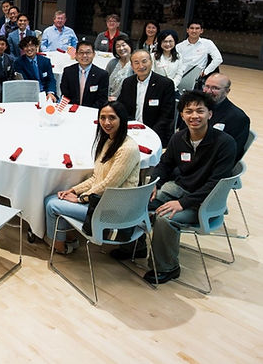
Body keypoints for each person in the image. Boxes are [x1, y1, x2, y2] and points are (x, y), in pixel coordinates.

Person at [137, 91, 236, 285]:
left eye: (200, 111)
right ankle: (135, 246)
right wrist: (155, 183)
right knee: (140, 201)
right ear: (182, 115)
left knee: (165, 219)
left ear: (210, 114)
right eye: (188, 111)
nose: (194, 116)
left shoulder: (225, 143)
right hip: (180, 189)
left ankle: (168, 268)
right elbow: (164, 164)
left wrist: (183, 203)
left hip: (205, 202)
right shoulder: (179, 138)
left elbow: (215, 184)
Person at [44, 101, 141, 254]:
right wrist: (74, 190)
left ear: (122, 120)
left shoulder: (127, 149)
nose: (106, 122)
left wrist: (80, 198)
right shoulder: (108, 141)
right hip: (102, 201)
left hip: (112, 210)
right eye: (102, 118)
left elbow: (109, 185)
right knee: (55, 197)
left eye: (112, 118)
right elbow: (97, 177)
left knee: (51, 204)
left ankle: (59, 247)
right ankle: (67, 239)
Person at [117, 50, 176, 147]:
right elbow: (121, 108)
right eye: (136, 63)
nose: (141, 66)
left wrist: (149, 134)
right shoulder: (128, 83)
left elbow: (166, 116)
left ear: (151, 63)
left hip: (155, 134)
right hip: (131, 132)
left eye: (144, 61)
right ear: (132, 66)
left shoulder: (165, 84)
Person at [202, 73, 250, 162]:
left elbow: (231, 153)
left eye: (215, 88)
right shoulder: (197, 108)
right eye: (207, 86)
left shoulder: (238, 118)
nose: (208, 91)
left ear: (227, 91)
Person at [59, 41, 109, 108]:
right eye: (81, 52)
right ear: (76, 54)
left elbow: (102, 99)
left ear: (94, 54)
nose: (84, 55)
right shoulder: (68, 71)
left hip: (92, 110)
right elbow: (65, 94)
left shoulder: (102, 74)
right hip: (71, 109)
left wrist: (87, 111)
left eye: (88, 52)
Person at [13, 35, 57, 101]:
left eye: (31, 45)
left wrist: (50, 92)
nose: (29, 48)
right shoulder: (19, 63)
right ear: (23, 49)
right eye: (26, 46)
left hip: (46, 92)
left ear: (36, 46)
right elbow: (23, 82)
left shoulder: (45, 61)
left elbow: (51, 79)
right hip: (29, 94)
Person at [106, 36, 134, 100]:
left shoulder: (135, 64)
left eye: (123, 45)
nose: (121, 48)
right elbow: (104, 82)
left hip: (126, 100)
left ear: (130, 45)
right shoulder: (112, 63)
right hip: (109, 99)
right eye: (118, 46)